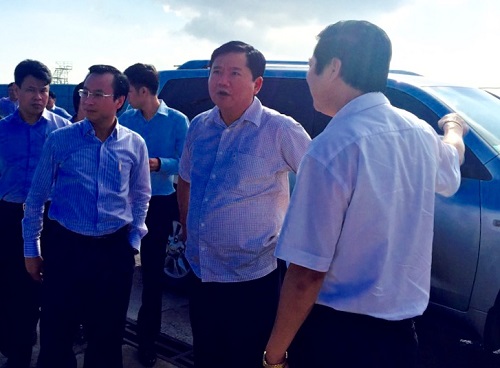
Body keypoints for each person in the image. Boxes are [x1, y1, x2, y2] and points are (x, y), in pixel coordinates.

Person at [263, 20, 468, 368]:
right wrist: (453, 127)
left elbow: (306, 275)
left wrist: (274, 355)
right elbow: (451, 166)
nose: (308, 76)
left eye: (311, 66)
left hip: (337, 339)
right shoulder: (417, 132)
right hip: (402, 338)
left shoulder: (331, 149)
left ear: (334, 67)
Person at [177, 40, 311, 367]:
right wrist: (186, 227)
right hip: (202, 273)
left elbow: (321, 185)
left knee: (244, 358)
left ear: (257, 83)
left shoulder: (280, 129)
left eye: (235, 73)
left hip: (250, 279)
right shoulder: (200, 126)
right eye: (216, 72)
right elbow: (185, 179)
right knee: (207, 356)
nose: (222, 80)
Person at [22, 64, 151, 368]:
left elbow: (141, 196)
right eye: (84, 93)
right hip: (66, 248)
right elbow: (36, 198)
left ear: (119, 100)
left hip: (112, 251)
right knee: (56, 334)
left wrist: (133, 241)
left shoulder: (134, 144)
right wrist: (32, 249)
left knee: (107, 337)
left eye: (97, 94)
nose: (87, 100)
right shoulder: (61, 140)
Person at [0, 60, 69, 368]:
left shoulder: (63, 130)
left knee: (52, 291)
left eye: (43, 90)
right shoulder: (2, 130)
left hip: (50, 217)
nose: (38, 97)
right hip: (10, 215)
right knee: (14, 291)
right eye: (30, 90)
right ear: (16, 91)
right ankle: (18, 354)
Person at [120, 62, 188, 367]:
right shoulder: (127, 118)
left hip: (160, 204)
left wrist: (159, 163)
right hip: (125, 204)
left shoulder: (177, 120)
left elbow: (185, 162)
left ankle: (147, 344)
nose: (124, 96)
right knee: (120, 271)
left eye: (128, 90)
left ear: (143, 91)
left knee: (151, 277)